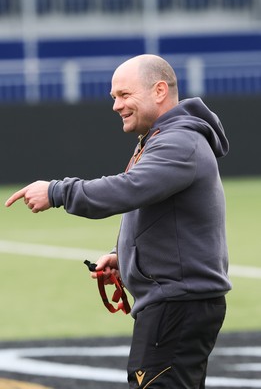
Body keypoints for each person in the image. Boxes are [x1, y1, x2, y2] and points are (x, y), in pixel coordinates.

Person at [5, 54, 232, 388]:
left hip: (177, 302)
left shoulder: (178, 141)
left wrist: (57, 191)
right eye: (114, 97)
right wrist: (123, 256)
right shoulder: (164, 138)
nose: (116, 105)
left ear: (158, 91)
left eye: (124, 95)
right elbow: (155, 209)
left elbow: (126, 190)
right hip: (175, 300)